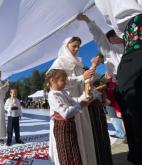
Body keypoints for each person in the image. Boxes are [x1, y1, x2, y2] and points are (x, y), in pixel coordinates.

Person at [77, 13, 136, 164]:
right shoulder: (113, 49)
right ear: (112, 38)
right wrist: (88, 20)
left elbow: (100, 37)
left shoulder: (126, 46)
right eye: (117, 35)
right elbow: (99, 36)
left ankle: (135, 152)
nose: (122, 36)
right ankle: (135, 151)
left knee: (130, 119)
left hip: (127, 83)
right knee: (128, 119)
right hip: (122, 85)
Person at [48, 37, 97, 165]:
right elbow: (53, 81)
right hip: (66, 104)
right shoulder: (59, 62)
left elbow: (84, 81)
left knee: (82, 133)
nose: (76, 49)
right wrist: (81, 77)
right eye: (74, 46)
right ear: (66, 46)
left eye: (78, 47)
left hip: (78, 101)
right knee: (68, 141)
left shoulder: (79, 63)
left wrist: (88, 84)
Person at [46, 69, 90, 165]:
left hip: (69, 126)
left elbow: (75, 100)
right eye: (62, 80)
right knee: (66, 154)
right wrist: (80, 105)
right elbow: (65, 113)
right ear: (52, 80)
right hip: (62, 128)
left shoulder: (63, 92)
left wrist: (85, 96)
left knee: (74, 152)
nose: (65, 83)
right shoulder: (52, 95)